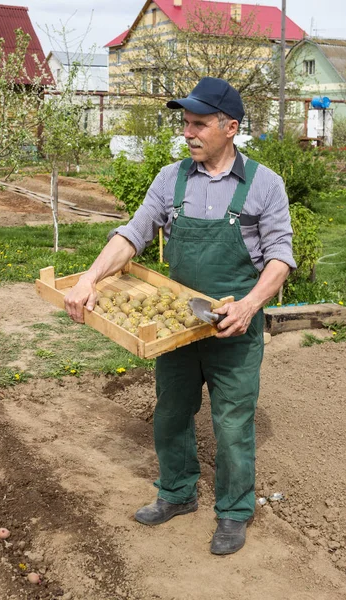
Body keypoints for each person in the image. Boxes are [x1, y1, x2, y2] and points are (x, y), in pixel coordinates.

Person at [64, 77, 296, 555]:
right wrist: (90, 277)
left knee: (232, 424)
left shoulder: (265, 184)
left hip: (234, 325)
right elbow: (133, 234)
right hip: (179, 329)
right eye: (185, 123)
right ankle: (177, 492)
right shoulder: (171, 179)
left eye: (200, 124)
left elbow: (280, 259)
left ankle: (233, 510)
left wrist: (251, 304)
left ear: (230, 127)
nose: (188, 133)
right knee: (171, 413)